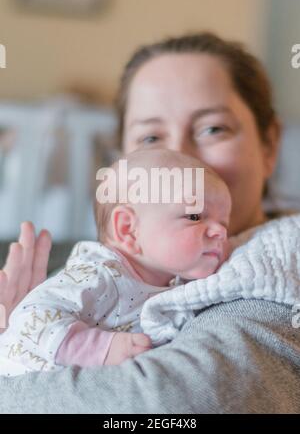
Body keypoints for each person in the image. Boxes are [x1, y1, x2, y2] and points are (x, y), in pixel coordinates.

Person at [1, 33, 300, 414]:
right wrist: (11, 340)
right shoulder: (99, 268)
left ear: (269, 144)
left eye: (213, 129)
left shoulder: (274, 267)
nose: (179, 156)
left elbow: (164, 404)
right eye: (151, 137)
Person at [0, 149, 231, 375]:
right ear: (128, 229)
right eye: (195, 216)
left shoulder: (178, 284)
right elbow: (30, 318)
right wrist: (102, 347)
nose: (220, 231)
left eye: (225, 223)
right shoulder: (99, 274)